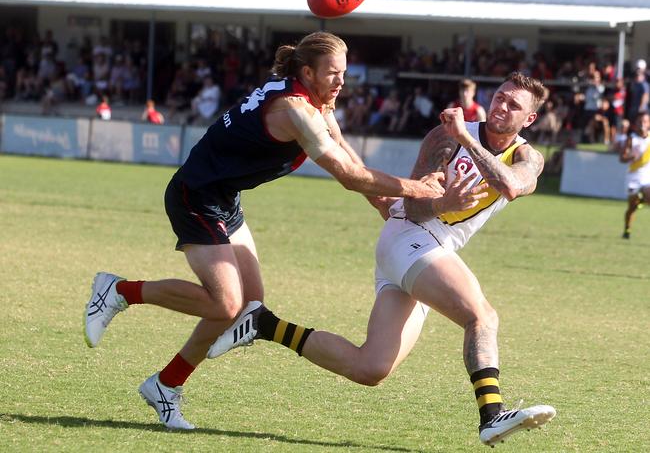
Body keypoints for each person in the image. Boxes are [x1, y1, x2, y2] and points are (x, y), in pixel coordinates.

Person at [83, 32, 444, 430]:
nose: (342, 82)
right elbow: (348, 175)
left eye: (345, 74)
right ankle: (118, 291)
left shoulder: (316, 100)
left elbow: (342, 146)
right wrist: (417, 189)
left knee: (249, 305)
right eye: (334, 74)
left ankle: (166, 384)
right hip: (195, 195)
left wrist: (383, 205)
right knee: (224, 305)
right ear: (307, 72)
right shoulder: (295, 110)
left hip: (224, 197)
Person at [210, 72, 557, 447]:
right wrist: (444, 198)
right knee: (482, 316)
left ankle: (264, 323)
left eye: (514, 105)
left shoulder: (526, 155)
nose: (502, 106)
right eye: (500, 97)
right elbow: (412, 205)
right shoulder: (446, 134)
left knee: (371, 367)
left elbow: (512, 184)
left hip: (430, 251)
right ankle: (491, 415)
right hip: (412, 237)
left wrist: (466, 141)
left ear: (530, 120)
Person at [619, 111, 650, 239]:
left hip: (647, 175)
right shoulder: (631, 139)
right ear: (635, 124)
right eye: (639, 122)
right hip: (634, 176)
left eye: (645, 121)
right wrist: (631, 155)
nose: (642, 124)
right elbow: (622, 158)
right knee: (631, 207)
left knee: (648, 194)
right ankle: (627, 229)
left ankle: (642, 200)